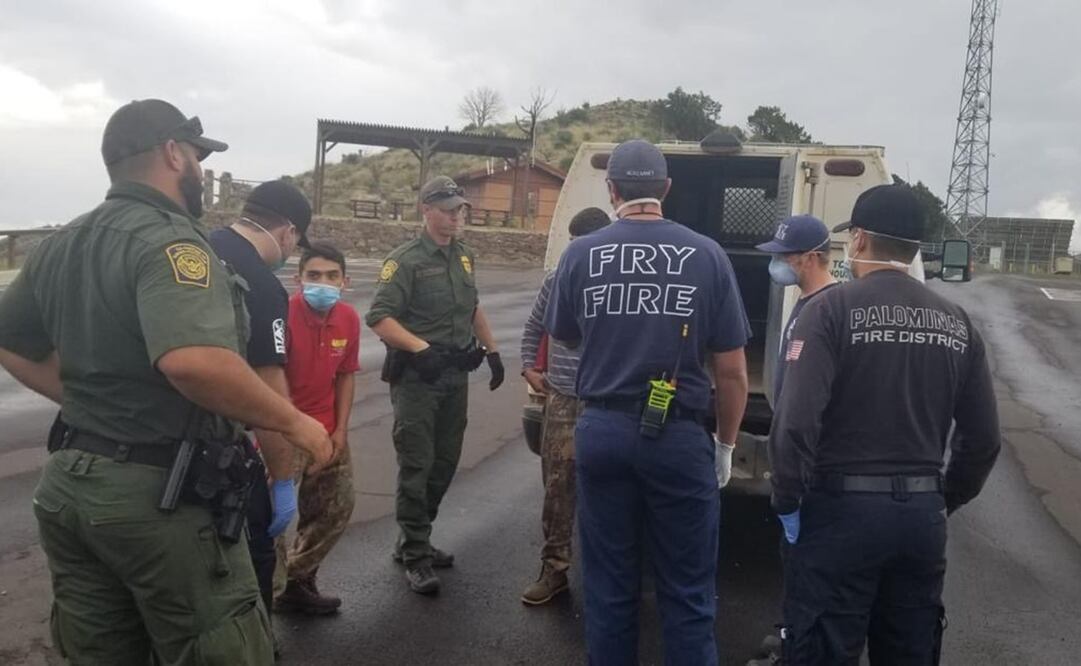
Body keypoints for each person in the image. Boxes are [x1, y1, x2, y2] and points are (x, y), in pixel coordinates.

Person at [0, 98, 330, 664]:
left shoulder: (62, 242)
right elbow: (194, 360)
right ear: (174, 154)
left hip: (71, 489)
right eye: (199, 158)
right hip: (158, 502)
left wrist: (79, 397)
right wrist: (295, 423)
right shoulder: (172, 243)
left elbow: (9, 337)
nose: (202, 171)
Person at [766, 184, 1001, 664]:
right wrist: (939, 499)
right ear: (916, 248)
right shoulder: (957, 321)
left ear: (857, 241)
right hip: (921, 521)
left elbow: (794, 424)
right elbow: (983, 441)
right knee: (910, 650)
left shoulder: (830, 311)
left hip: (839, 515)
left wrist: (788, 500)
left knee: (822, 647)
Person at [546, 139, 752, 665]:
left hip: (603, 431)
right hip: (679, 435)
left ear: (611, 189)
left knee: (610, 587)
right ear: (665, 188)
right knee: (686, 590)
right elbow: (731, 373)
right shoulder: (707, 254)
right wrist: (725, 446)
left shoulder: (580, 253)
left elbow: (566, 336)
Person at [365, 175, 505, 595]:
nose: (455, 216)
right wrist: (420, 348)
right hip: (419, 379)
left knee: (445, 462)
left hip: (454, 375)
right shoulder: (405, 260)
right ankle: (416, 555)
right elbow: (379, 316)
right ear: (426, 210)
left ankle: (415, 536)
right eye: (447, 209)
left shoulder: (464, 257)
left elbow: (473, 306)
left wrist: (493, 350)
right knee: (417, 464)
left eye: (459, 209)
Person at [208, 178, 314, 625]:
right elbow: (269, 391)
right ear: (288, 232)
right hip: (214, 449)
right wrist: (284, 479)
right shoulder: (263, 285)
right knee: (251, 560)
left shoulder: (200, 246)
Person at [519, 206, 611, 606]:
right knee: (558, 487)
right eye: (574, 244)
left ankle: (608, 576)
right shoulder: (559, 278)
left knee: (611, 490)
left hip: (609, 400)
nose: (578, 251)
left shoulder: (622, 282)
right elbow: (535, 325)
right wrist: (528, 366)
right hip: (564, 398)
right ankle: (554, 570)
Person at [276, 242, 361, 614]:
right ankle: (267, 592)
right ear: (298, 279)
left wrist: (340, 430)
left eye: (331, 276)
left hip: (327, 431)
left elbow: (345, 375)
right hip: (283, 431)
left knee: (335, 507)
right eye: (313, 276)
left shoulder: (349, 319)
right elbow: (267, 376)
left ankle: (295, 580)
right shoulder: (281, 315)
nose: (322, 284)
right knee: (272, 523)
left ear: (345, 281)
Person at [755, 214, 838, 402]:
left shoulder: (829, 308)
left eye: (784, 256)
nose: (776, 262)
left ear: (810, 258)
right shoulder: (807, 300)